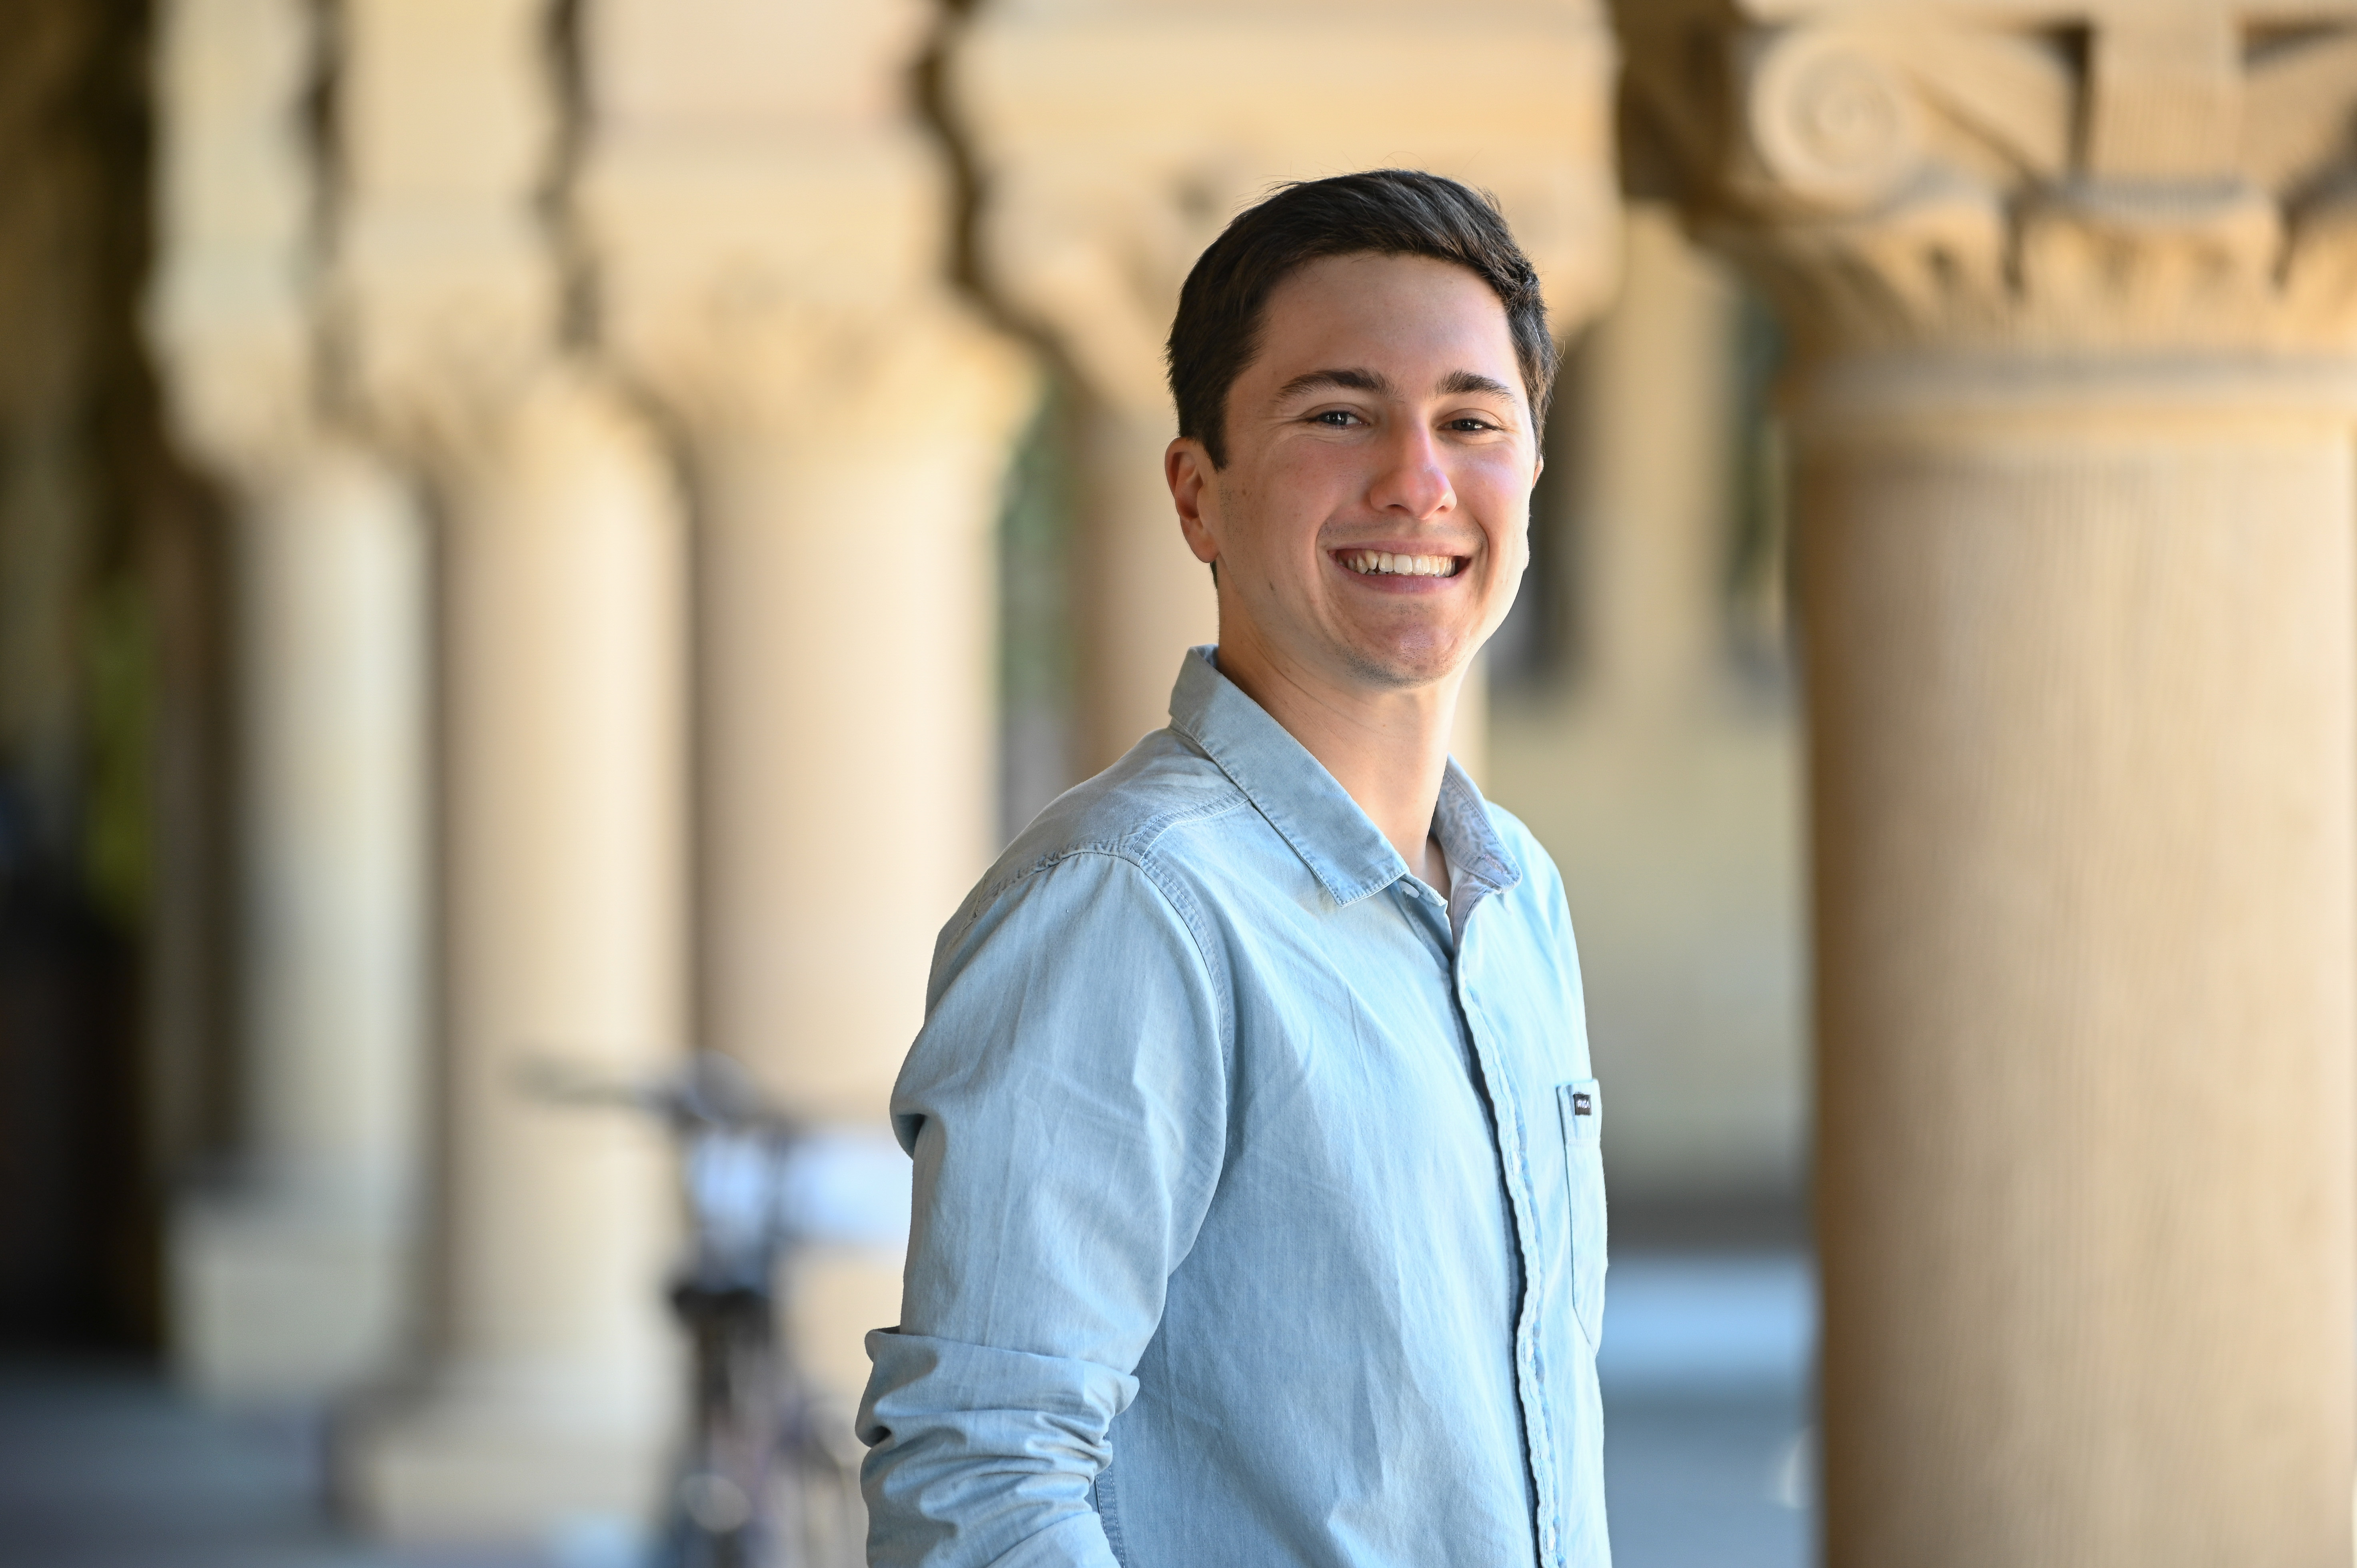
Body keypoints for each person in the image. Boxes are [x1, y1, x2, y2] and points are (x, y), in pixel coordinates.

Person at [857, 169, 1608, 1568]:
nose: (1417, 481)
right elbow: (983, 1486)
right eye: (1338, 414)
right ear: (1198, 495)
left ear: (1530, 479)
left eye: (1471, 420)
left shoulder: (1518, 898)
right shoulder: (1129, 902)